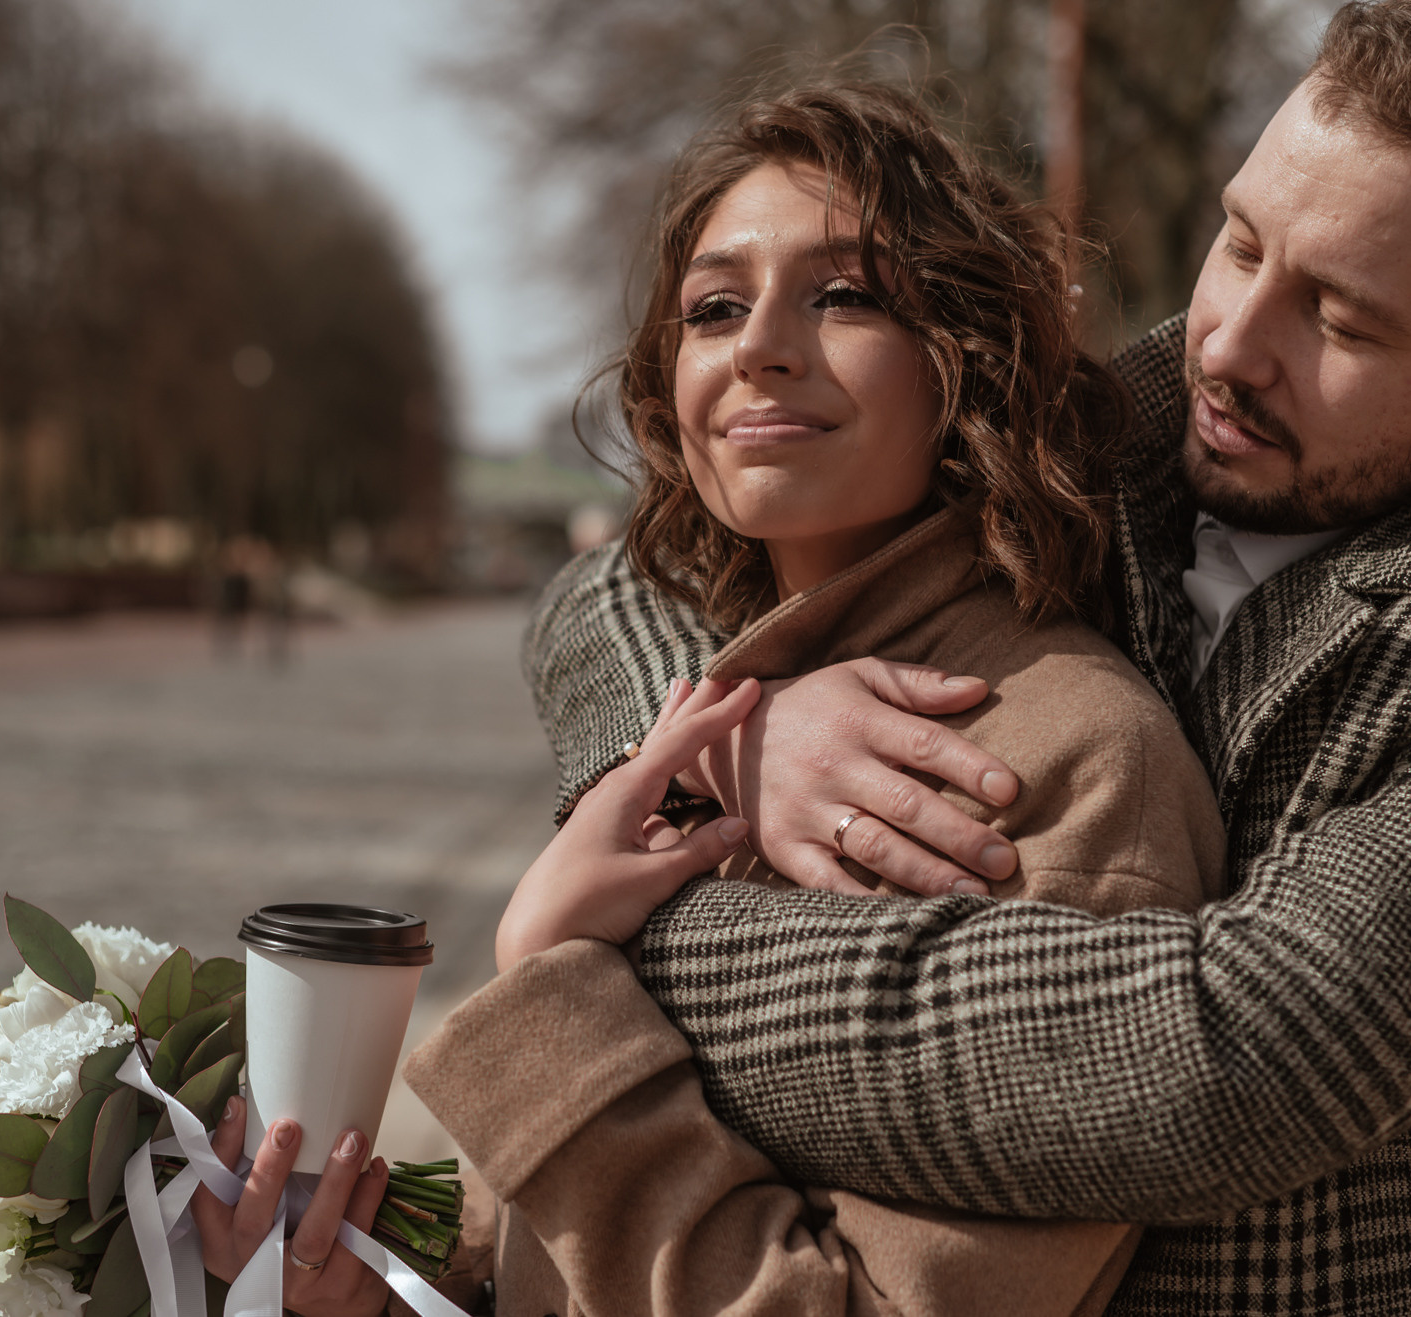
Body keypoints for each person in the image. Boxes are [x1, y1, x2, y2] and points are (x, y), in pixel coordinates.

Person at [520, 0, 1411, 1311]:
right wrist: (738, 733)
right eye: (1240, 242)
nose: (1231, 346)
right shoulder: (1112, 427)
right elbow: (622, 577)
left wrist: (616, 937)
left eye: (1344, 324)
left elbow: (1222, 1073)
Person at [407, 82, 1227, 1317]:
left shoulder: (1074, 759)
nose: (759, 348)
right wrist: (394, 1249)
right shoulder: (719, 704)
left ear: (969, 361)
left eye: (844, 295)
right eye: (714, 308)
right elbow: (579, 1203)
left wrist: (545, 974)